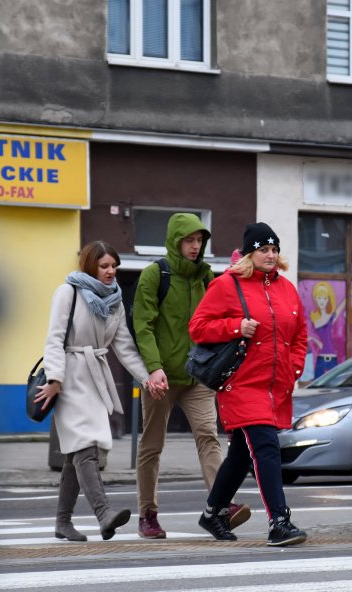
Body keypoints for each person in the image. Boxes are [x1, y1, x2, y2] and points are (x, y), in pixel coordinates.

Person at [189, 222, 309, 547]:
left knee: (242, 455)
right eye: (263, 250)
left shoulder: (286, 289)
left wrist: (295, 368)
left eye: (274, 249)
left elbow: (299, 335)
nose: (270, 255)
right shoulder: (227, 285)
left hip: (275, 386)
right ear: (249, 254)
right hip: (241, 384)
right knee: (267, 447)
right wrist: (235, 326)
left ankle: (213, 513)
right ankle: (279, 522)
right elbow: (198, 327)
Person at [132, 213, 250, 539]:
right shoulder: (155, 275)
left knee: (208, 436)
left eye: (199, 240)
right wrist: (153, 368)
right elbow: (142, 326)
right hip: (162, 377)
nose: (195, 246)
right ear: (175, 240)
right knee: (152, 445)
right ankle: (148, 514)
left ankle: (220, 504)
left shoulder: (207, 277)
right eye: (189, 240)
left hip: (197, 375)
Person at [35, 240, 155, 542]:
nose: (111, 271)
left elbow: (124, 346)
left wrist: (147, 378)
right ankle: (104, 513)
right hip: (69, 378)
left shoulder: (114, 300)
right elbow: (54, 338)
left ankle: (62, 522)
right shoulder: (68, 292)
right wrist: (55, 379)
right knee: (85, 446)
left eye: (114, 266)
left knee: (79, 452)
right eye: (104, 266)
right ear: (90, 265)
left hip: (95, 378)